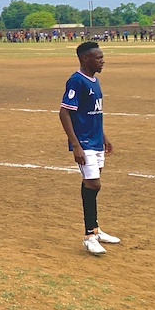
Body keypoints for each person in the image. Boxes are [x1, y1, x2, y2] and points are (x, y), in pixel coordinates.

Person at [59, 41, 119, 256]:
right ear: (86, 59)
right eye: (99, 58)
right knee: (93, 184)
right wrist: (76, 145)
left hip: (95, 140)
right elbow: (64, 112)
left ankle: (95, 229)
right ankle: (89, 236)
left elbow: (93, 113)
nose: (103, 61)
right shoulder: (76, 81)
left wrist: (104, 137)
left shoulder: (94, 80)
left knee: (92, 184)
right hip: (84, 143)